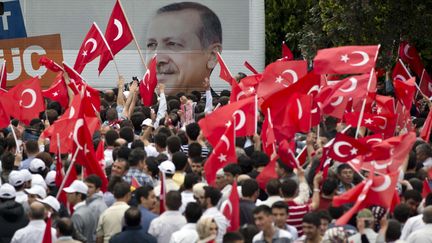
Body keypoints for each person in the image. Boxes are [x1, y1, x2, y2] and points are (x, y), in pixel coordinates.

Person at [146, 1, 222, 93]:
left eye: (172, 44)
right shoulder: (139, 106)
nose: (157, 59)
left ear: (212, 56)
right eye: (152, 45)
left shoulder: (221, 107)